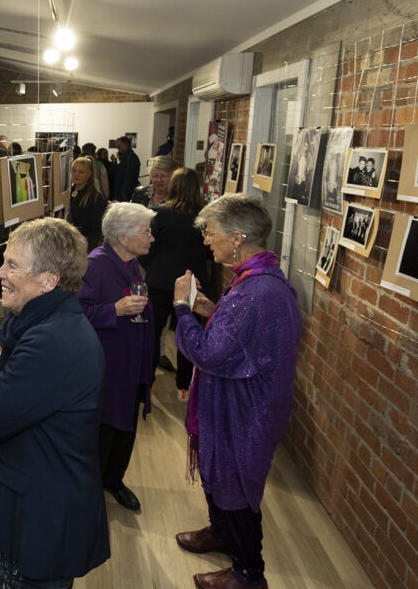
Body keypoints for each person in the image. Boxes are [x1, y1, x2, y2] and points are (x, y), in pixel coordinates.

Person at [0, 217, 110, 588]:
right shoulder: (43, 325)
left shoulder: (50, 343)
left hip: (41, 521)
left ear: (48, 281)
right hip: (35, 507)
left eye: (12, 265)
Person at [172, 194, 301, 589]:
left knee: (237, 488)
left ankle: (248, 574)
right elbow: (244, 340)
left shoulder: (255, 292)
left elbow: (209, 354)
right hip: (237, 405)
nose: (207, 242)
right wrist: (211, 313)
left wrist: (181, 307)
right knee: (220, 476)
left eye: (212, 234)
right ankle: (220, 532)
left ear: (238, 238)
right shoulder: (258, 279)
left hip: (246, 413)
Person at [77, 202, 155, 514]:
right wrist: (115, 310)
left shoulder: (132, 261)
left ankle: (114, 480)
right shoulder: (96, 264)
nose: (151, 238)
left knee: (127, 428)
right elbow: (76, 311)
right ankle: (90, 490)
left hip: (131, 361)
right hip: (107, 364)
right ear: (122, 237)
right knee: (104, 429)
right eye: (146, 232)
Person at [140, 168, 208, 394]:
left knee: (152, 333)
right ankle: (183, 387)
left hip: (160, 280)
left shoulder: (159, 213)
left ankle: (147, 383)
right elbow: (209, 253)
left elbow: (147, 247)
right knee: (188, 334)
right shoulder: (205, 216)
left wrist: (153, 266)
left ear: (173, 186)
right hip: (192, 283)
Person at [67, 156, 107, 249]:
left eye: (81, 172)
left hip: (83, 245)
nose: (76, 175)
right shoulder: (67, 192)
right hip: (67, 241)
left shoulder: (95, 197)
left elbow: (96, 230)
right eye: (74, 170)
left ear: (89, 174)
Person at [114, 136, 140, 201]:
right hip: (122, 189)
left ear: (125, 144)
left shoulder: (131, 157)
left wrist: (125, 191)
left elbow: (129, 175)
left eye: (119, 145)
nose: (117, 147)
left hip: (126, 191)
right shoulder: (124, 157)